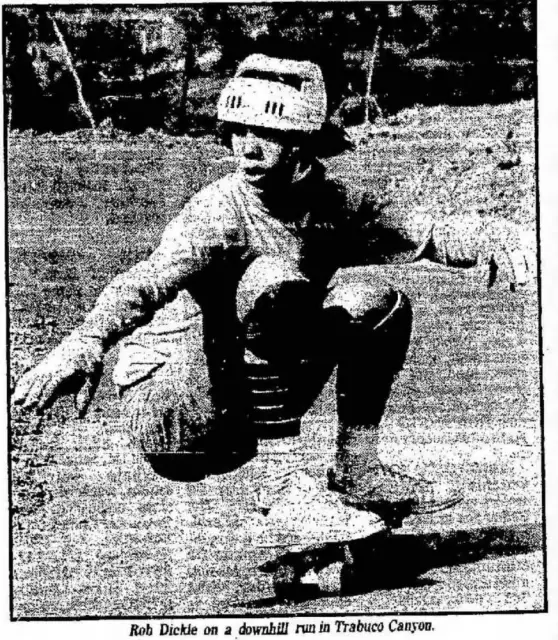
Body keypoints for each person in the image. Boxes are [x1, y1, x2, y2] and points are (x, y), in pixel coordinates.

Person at [13, 54, 533, 546]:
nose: (247, 148)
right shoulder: (219, 211)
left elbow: (429, 234)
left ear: (305, 141)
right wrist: (85, 342)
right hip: (174, 413)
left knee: (381, 304)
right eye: (238, 131)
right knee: (274, 283)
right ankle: (282, 487)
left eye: (266, 132)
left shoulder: (332, 201)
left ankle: (358, 469)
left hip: (243, 405)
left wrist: (497, 234)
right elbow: (145, 281)